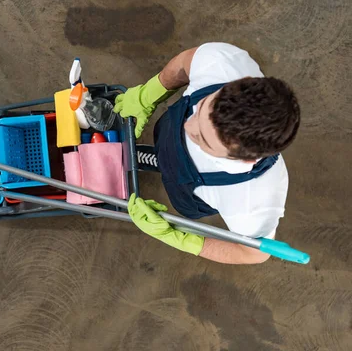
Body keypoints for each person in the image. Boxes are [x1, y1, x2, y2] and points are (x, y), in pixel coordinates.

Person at [114, 42, 300, 264]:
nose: (188, 127)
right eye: (201, 107)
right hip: (167, 137)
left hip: (190, 191)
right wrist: (148, 94)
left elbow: (253, 253)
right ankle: (158, 159)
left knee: (178, 182)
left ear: (246, 159)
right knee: (167, 148)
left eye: (202, 139)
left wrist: (178, 237)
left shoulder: (254, 200)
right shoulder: (223, 62)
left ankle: (163, 162)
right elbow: (185, 63)